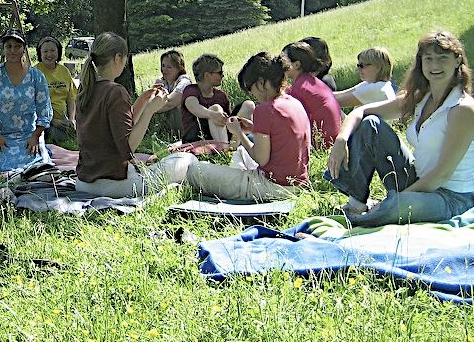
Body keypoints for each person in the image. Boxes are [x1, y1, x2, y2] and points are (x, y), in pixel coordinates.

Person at [326, 30, 474, 227]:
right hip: (418, 180)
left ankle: (355, 221)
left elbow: (441, 174)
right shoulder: (421, 97)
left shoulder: (462, 109)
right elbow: (361, 111)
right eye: (428, 59)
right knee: (372, 124)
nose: (435, 66)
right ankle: (357, 204)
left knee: (400, 205)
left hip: (451, 197)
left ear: (457, 60)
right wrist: (341, 139)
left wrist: (396, 200)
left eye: (442, 58)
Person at [75, 32, 195, 197]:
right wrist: (149, 110)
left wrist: (143, 100)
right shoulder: (115, 91)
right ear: (117, 58)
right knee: (187, 159)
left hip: (83, 183)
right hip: (115, 184)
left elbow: (118, 126)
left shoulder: (85, 89)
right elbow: (128, 147)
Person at [187, 53, 311, 201]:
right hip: (299, 184)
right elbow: (282, 136)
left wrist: (239, 133)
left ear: (261, 82)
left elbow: (261, 159)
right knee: (240, 152)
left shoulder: (265, 109)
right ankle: (230, 182)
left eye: (250, 88)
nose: (252, 93)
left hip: (271, 187)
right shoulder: (294, 102)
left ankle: (230, 186)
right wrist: (253, 128)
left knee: (195, 170)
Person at [0, 29, 53, 172]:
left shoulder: (36, 76)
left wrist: (35, 136)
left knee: (37, 166)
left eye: (17, 46)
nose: (13, 50)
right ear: (3, 49)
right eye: (9, 46)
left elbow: (45, 111)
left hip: (28, 134)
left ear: (24, 49)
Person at [283, 41, 342, 147]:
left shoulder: (299, 89)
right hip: (333, 141)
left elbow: (287, 124)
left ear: (296, 65)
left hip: (320, 145)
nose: (278, 64)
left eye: (282, 60)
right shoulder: (313, 82)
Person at [180, 54, 231, 143]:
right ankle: (223, 148)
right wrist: (211, 114)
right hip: (196, 140)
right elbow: (194, 107)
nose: (222, 75)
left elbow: (228, 118)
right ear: (207, 75)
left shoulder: (221, 96)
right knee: (215, 108)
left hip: (223, 135)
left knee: (248, 105)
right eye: (220, 72)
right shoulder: (191, 90)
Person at [35, 36, 77, 143]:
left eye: (53, 50)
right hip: (44, 123)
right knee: (60, 137)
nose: (49, 54)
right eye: (45, 51)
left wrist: (72, 119)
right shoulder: (35, 73)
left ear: (58, 52)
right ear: (40, 54)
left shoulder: (64, 71)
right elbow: (31, 105)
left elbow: (71, 98)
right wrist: (53, 121)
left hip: (64, 120)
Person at [153, 50, 192, 137]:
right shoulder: (163, 82)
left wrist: (148, 108)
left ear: (179, 68)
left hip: (187, 132)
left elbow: (169, 102)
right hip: (168, 133)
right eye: (163, 66)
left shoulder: (184, 82)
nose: (164, 70)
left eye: (169, 67)